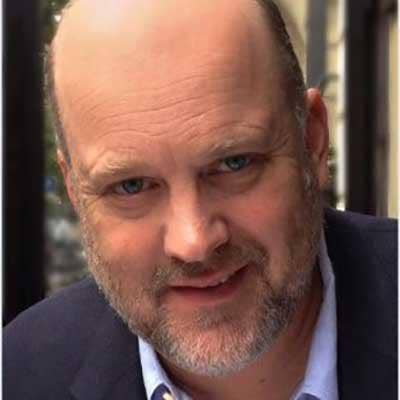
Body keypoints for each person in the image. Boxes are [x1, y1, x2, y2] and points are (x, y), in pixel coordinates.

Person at [4, 0, 397, 399]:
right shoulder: (19, 376)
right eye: (131, 186)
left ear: (312, 142)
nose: (193, 242)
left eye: (234, 163)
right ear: (74, 191)